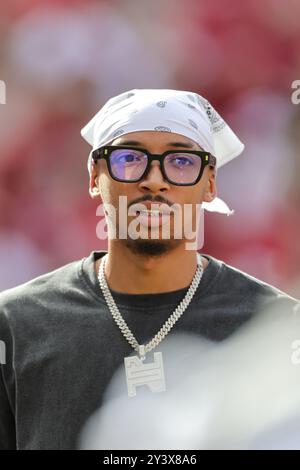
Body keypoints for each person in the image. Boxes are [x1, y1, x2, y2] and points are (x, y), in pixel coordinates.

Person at [0, 89, 299, 450]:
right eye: (129, 158)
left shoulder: (275, 328)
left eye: (182, 162)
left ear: (210, 183)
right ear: (95, 176)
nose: (155, 180)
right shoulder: (16, 323)